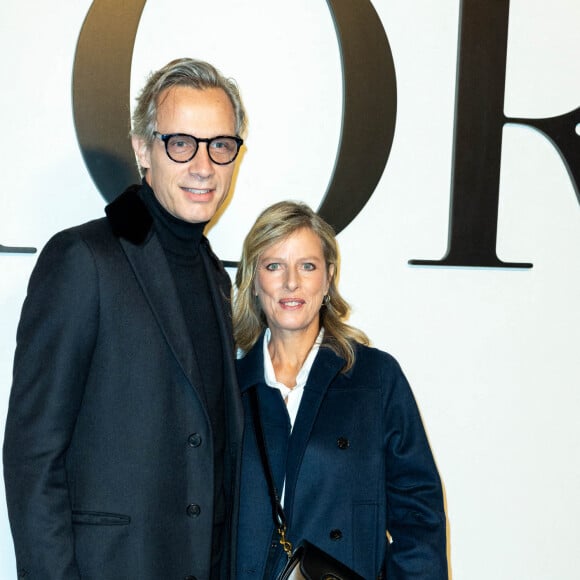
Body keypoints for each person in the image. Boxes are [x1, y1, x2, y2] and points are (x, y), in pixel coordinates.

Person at [3, 58, 246, 580]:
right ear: (143, 149)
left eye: (221, 145)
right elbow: (32, 456)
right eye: (181, 143)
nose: (203, 166)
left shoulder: (216, 280)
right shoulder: (83, 260)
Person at [233, 201, 448, 579]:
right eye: (274, 266)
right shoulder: (229, 385)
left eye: (308, 266)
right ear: (253, 280)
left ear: (328, 277)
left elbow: (419, 515)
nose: (291, 282)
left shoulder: (374, 378)